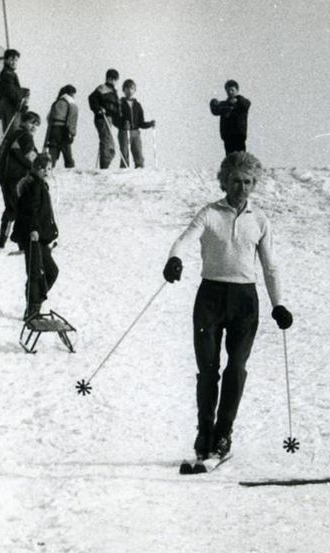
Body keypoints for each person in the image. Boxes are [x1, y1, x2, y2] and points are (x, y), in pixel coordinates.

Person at [163, 151, 293, 460]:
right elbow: (184, 239)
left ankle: (224, 433)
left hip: (245, 301)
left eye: (248, 182)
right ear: (225, 181)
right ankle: (204, 431)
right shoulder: (210, 213)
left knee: (236, 367)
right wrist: (175, 260)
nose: (242, 188)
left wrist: (279, 304)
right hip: (210, 297)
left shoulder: (260, 220)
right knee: (207, 370)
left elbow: (270, 266)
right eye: (236, 181)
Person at [11, 154, 59, 320]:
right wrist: (33, 230)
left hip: (41, 238)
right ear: (35, 168)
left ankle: (35, 301)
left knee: (51, 271)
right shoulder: (34, 186)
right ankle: (33, 310)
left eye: (49, 168)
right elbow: (29, 209)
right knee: (35, 273)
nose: (46, 171)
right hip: (33, 237)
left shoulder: (41, 185)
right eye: (42, 168)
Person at [0, 111, 41, 249]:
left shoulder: (16, 134)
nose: (33, 127)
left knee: (11, 208)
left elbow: (17, 153)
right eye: (31, 122)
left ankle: (2, 241)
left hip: (5, 176)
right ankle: (21, 244)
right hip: (15, 177)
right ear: (23, 122)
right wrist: (39, 165)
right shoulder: (25, 136)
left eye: (36, 124)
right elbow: (29, 156)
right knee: (19, 209)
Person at [116, 79, 155, 168]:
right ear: (123, 90)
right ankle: (124, 172)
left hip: (135, 132)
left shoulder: (137, 105)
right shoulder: (119, 103)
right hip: (124, 132)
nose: (129, 90)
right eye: (127, 88)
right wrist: (123, 124)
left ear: (134, 90)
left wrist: (149, 124)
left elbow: (141, 122)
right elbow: (115, 119)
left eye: (132, 88)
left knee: (138, 154)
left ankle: (140, 173)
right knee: (124, 154)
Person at [88, 69, 121, 169]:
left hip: (109, 118)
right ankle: (104, 167)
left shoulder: (113, 91)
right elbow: (91, 98)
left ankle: (105, 164)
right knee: (107, 141)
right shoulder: (103, 88)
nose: (113, 81)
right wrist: (98, 109)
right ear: (108, 78)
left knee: (109, 144)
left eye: (115, 79)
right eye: (112, 78)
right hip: (102, 118)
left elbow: (114, 108)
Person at [209, 80, 251, 154]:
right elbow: (215, 110)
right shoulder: (224, 104)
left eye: (232, 90)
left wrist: (238, 99)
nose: (230, 92)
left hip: (239, 135)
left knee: (240, 157)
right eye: (228, 90)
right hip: (227, 135)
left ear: (237, 90)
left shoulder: (242, 102)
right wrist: (214, 102)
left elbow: (247, 104)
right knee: (229, 158)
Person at [44, 85, 78, 168]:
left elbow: (49, 117)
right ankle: (70, 170)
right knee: (67, 152)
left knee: (53, 151)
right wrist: (72, 133)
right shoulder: (71, 102)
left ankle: (49, 168)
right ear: (71, 93)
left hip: (53, 129)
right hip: (63, 129)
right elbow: (72, 118)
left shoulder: (56, 102)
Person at [0, 49, 29, 131]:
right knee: (12, 130)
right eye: (11, 60)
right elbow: (11, 92)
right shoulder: (8, 74)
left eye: (16, 60)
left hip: (8, 105)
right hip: (9, 106)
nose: (14, 62)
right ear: (5, 60)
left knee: (11, 130)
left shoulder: (9, 73)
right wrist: (24, 93)